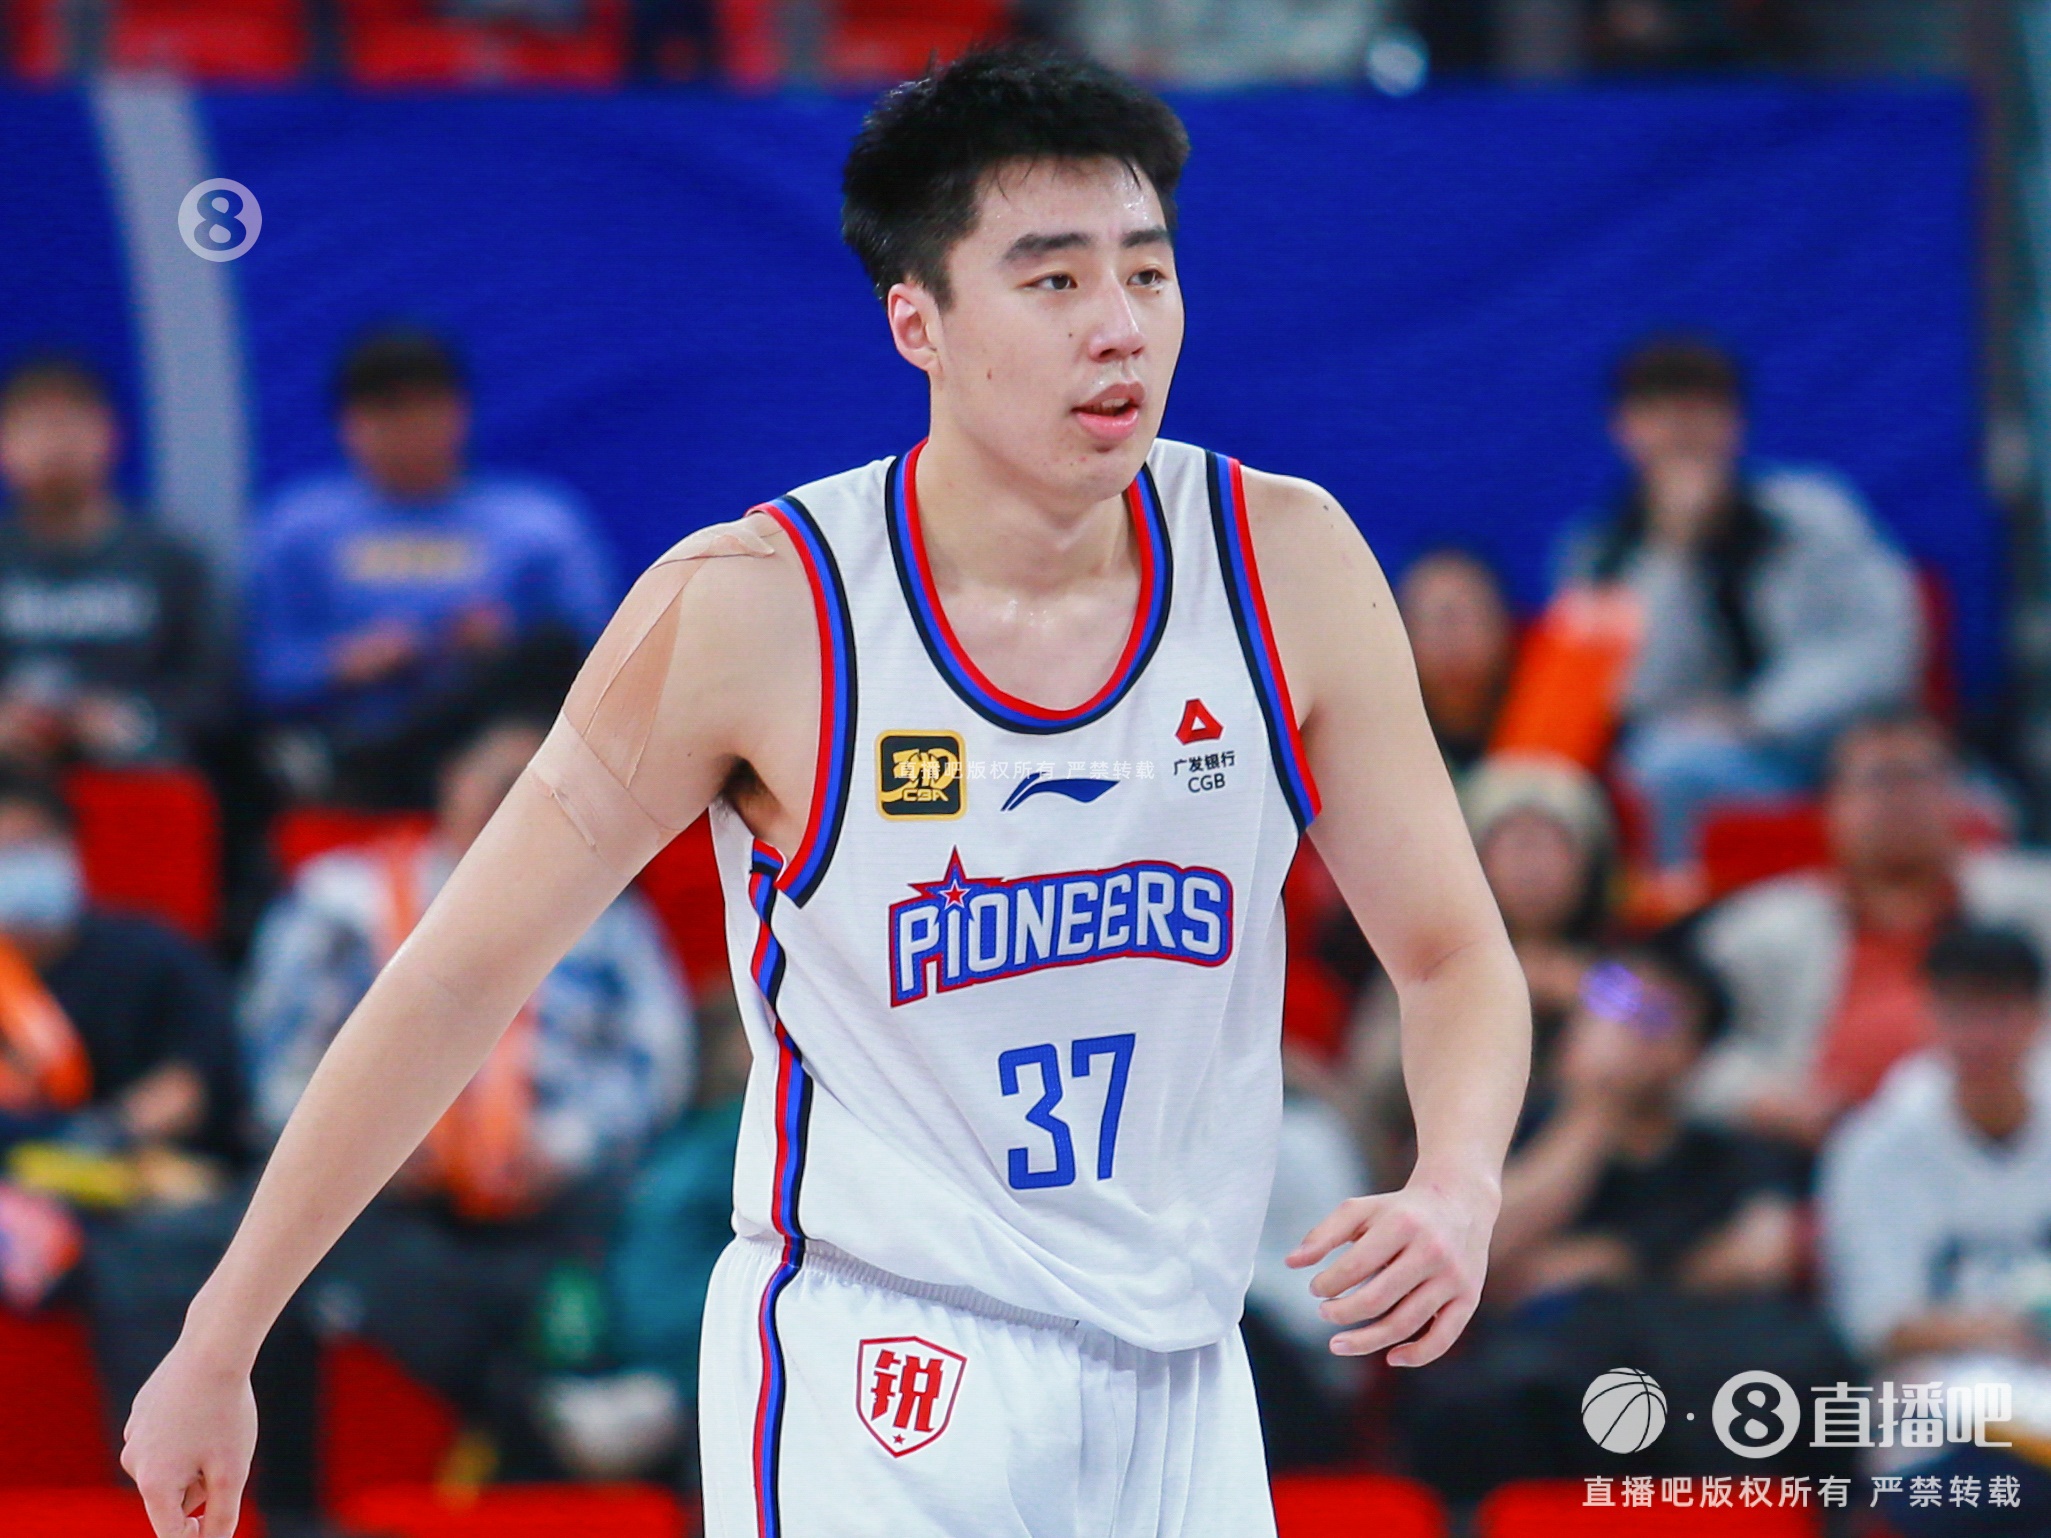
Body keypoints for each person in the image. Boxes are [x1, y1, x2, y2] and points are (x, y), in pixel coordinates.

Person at [123, 45, 1530, 1538]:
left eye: (1146, 271)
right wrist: (221, 1333)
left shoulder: (1287, 563)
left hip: (1184, 1374)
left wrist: (1454, 1183)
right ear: (916, 320)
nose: (1118, 326)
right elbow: (458, 972)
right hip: (881, 1371)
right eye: (1054, 281)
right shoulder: (757, 607)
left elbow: (1451, 953)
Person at [90, 709, 692, 1534]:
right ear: (449, 783)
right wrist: (372, 1143)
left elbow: (654, 1065)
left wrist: (564, 1148)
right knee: (271, 1245)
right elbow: (274, 1054)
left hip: (552, 1192)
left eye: (540, 783)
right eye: (500, 781)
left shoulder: (612, 917)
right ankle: (513, 1414)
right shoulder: (344, 894)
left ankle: (595, 1419)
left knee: (667, 1214)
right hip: (378, 1192)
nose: (520, 799)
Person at [1398, 936, 1851, 1499]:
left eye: (1651, 1016)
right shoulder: (1509, 1132)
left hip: (1687, 1367)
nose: (1620, 1028)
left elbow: (1759, 1258)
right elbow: (1485, 1252)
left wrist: (1614, 1262)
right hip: (1548, 1373)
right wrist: (1592, 1109)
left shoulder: (1728, 1154)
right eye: (1608, 1000)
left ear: (1693, 1053)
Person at [1561, 335, 1921, 878]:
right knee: (1660, 764)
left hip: (1834, 741)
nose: (1681, 431)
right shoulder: (1597, 555)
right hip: (1711, 761)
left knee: (1944, 780)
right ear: (1624, 430)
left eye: (1701, 410)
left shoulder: (1815, 515)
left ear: (1736, 423)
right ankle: (1676, 908)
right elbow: (1632, 695)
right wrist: (1674, 551)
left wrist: (1761, 714)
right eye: (1659, 412)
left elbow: (1883, 647)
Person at [245, 326, 615, 806]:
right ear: (347, 423)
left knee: (542, 660)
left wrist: (500, 643)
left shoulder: (539, 525)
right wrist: (344, 662)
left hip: (494, 743)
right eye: (387, 410)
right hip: (355, 735)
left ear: (460, 412)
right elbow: (260, 675)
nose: (408, 429)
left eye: (424, 407)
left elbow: (597, 663)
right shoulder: (297, 531)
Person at [1691, 709, 2051, 1149]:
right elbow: (1663, 1025)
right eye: (1877, 781)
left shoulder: (2036, 903)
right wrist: (1766, 1101)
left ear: (1959, 801)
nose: (1898, 800)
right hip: (1813, 1155)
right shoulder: (1756, 927)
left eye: (1917, 778)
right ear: (1830, 807)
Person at [1817, 923, 2051, 1534]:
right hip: (1934, 1418)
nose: (1979, 1036)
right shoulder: (1876, 1145)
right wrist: (2008, 1330)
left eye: (1998, 1010)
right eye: (1959, 1010)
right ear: (1929, 1014)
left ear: (2037, 1016)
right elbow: (1875, 1323)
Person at [0, 764, 240, 1318]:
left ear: (68, 848)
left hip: (131, 1188)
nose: (14, 864)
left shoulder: (150, 954)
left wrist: (105, 1136)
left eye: (27, 847)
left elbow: (194, 1081)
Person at [0, 354, 223, 769]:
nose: (55, 445)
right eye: (34, 427)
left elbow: (214, 694)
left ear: (111, 435)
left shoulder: (172, 560)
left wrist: (131, 721)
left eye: (69, 425)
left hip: (136, 779)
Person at [1397, 548, 1515, 782]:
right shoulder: (1378, 737)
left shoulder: (1552, 711)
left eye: (1466, 618)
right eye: (1434, 621)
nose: (1451, 641)